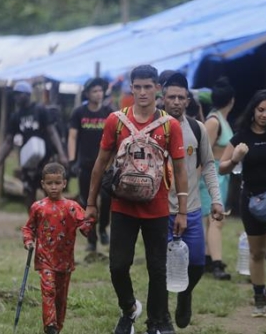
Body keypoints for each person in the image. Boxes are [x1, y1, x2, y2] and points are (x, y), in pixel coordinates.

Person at [85, 65, 188, 334]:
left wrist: (183, 212)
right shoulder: (115, 121)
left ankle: (157, 321)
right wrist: (91, 203)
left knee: (157, 268)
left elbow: (180, 169)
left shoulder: (170, 126)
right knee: (118, 265)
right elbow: (100, 163)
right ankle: (129, 309)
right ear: (131, 88)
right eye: (138, 87)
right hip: (122, 206)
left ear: (158, 88)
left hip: (157, 207)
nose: (143, 92)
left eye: (148, 87)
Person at [219, 90, 266, 319]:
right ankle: (259, 296)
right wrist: (235, 158)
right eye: (261, 110)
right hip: (251, 199)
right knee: (257, 252)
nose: (265, 115)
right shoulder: (241, 136)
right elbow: (221, 168)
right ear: (253, 110)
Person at [161, 72, 225, 328]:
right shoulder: (153, 127)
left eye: (181, 97)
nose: (176, 101)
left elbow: (209, 165)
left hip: (192, 210)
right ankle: (162, 316)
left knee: (197, 263)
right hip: (159, 211)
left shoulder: (197, 129)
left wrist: (217, 200)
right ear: (162, 99)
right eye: (171, 96)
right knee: (161, 267)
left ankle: (185, 295)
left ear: (188, 100)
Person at [21, 163, 95, 334]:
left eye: (57, 183)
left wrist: (87, 227)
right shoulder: (38, 207)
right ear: (43, 184)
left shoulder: (71, 206)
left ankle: (57, 326)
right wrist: (28, 241)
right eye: (49, 183)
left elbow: (86, 221)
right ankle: (50, 326)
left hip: (65, 261)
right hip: (44, 259)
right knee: (48, 291)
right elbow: (28, 228)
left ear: (64, 183)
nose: (53, 187)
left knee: (61, 298)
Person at [0, 81, 68, 206]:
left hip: (45, 160)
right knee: (28, 192)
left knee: (50, 192)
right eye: (15, 95)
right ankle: (33, 223)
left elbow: (52, 132)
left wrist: (62, 154)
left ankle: (51, 223)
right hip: (28, 162)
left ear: (27, 94)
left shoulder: (40, 110)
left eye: (19, 94)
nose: (16, 97)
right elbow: (8, 142)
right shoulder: (15, 116)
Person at [68, 77, 113, 251]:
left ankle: (103, 228)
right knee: (87, 202)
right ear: (87, 94)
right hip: (85, 164)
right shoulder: (79, 112)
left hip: (106, 165)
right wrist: (72, 160)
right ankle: (91, 239)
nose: (98, 94)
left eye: (100, 90)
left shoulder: (109, 112)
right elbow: (72, 136)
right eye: (94, 91)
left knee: (107, 197)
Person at [199, 77, 236, 280]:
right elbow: (204, 152)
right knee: (215, 219)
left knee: (211, 220)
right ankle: (216, 263)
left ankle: (206, 259)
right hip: (211, 175)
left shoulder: (220, 119)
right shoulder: (213, 121)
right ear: (232, 100)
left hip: (222, 175)